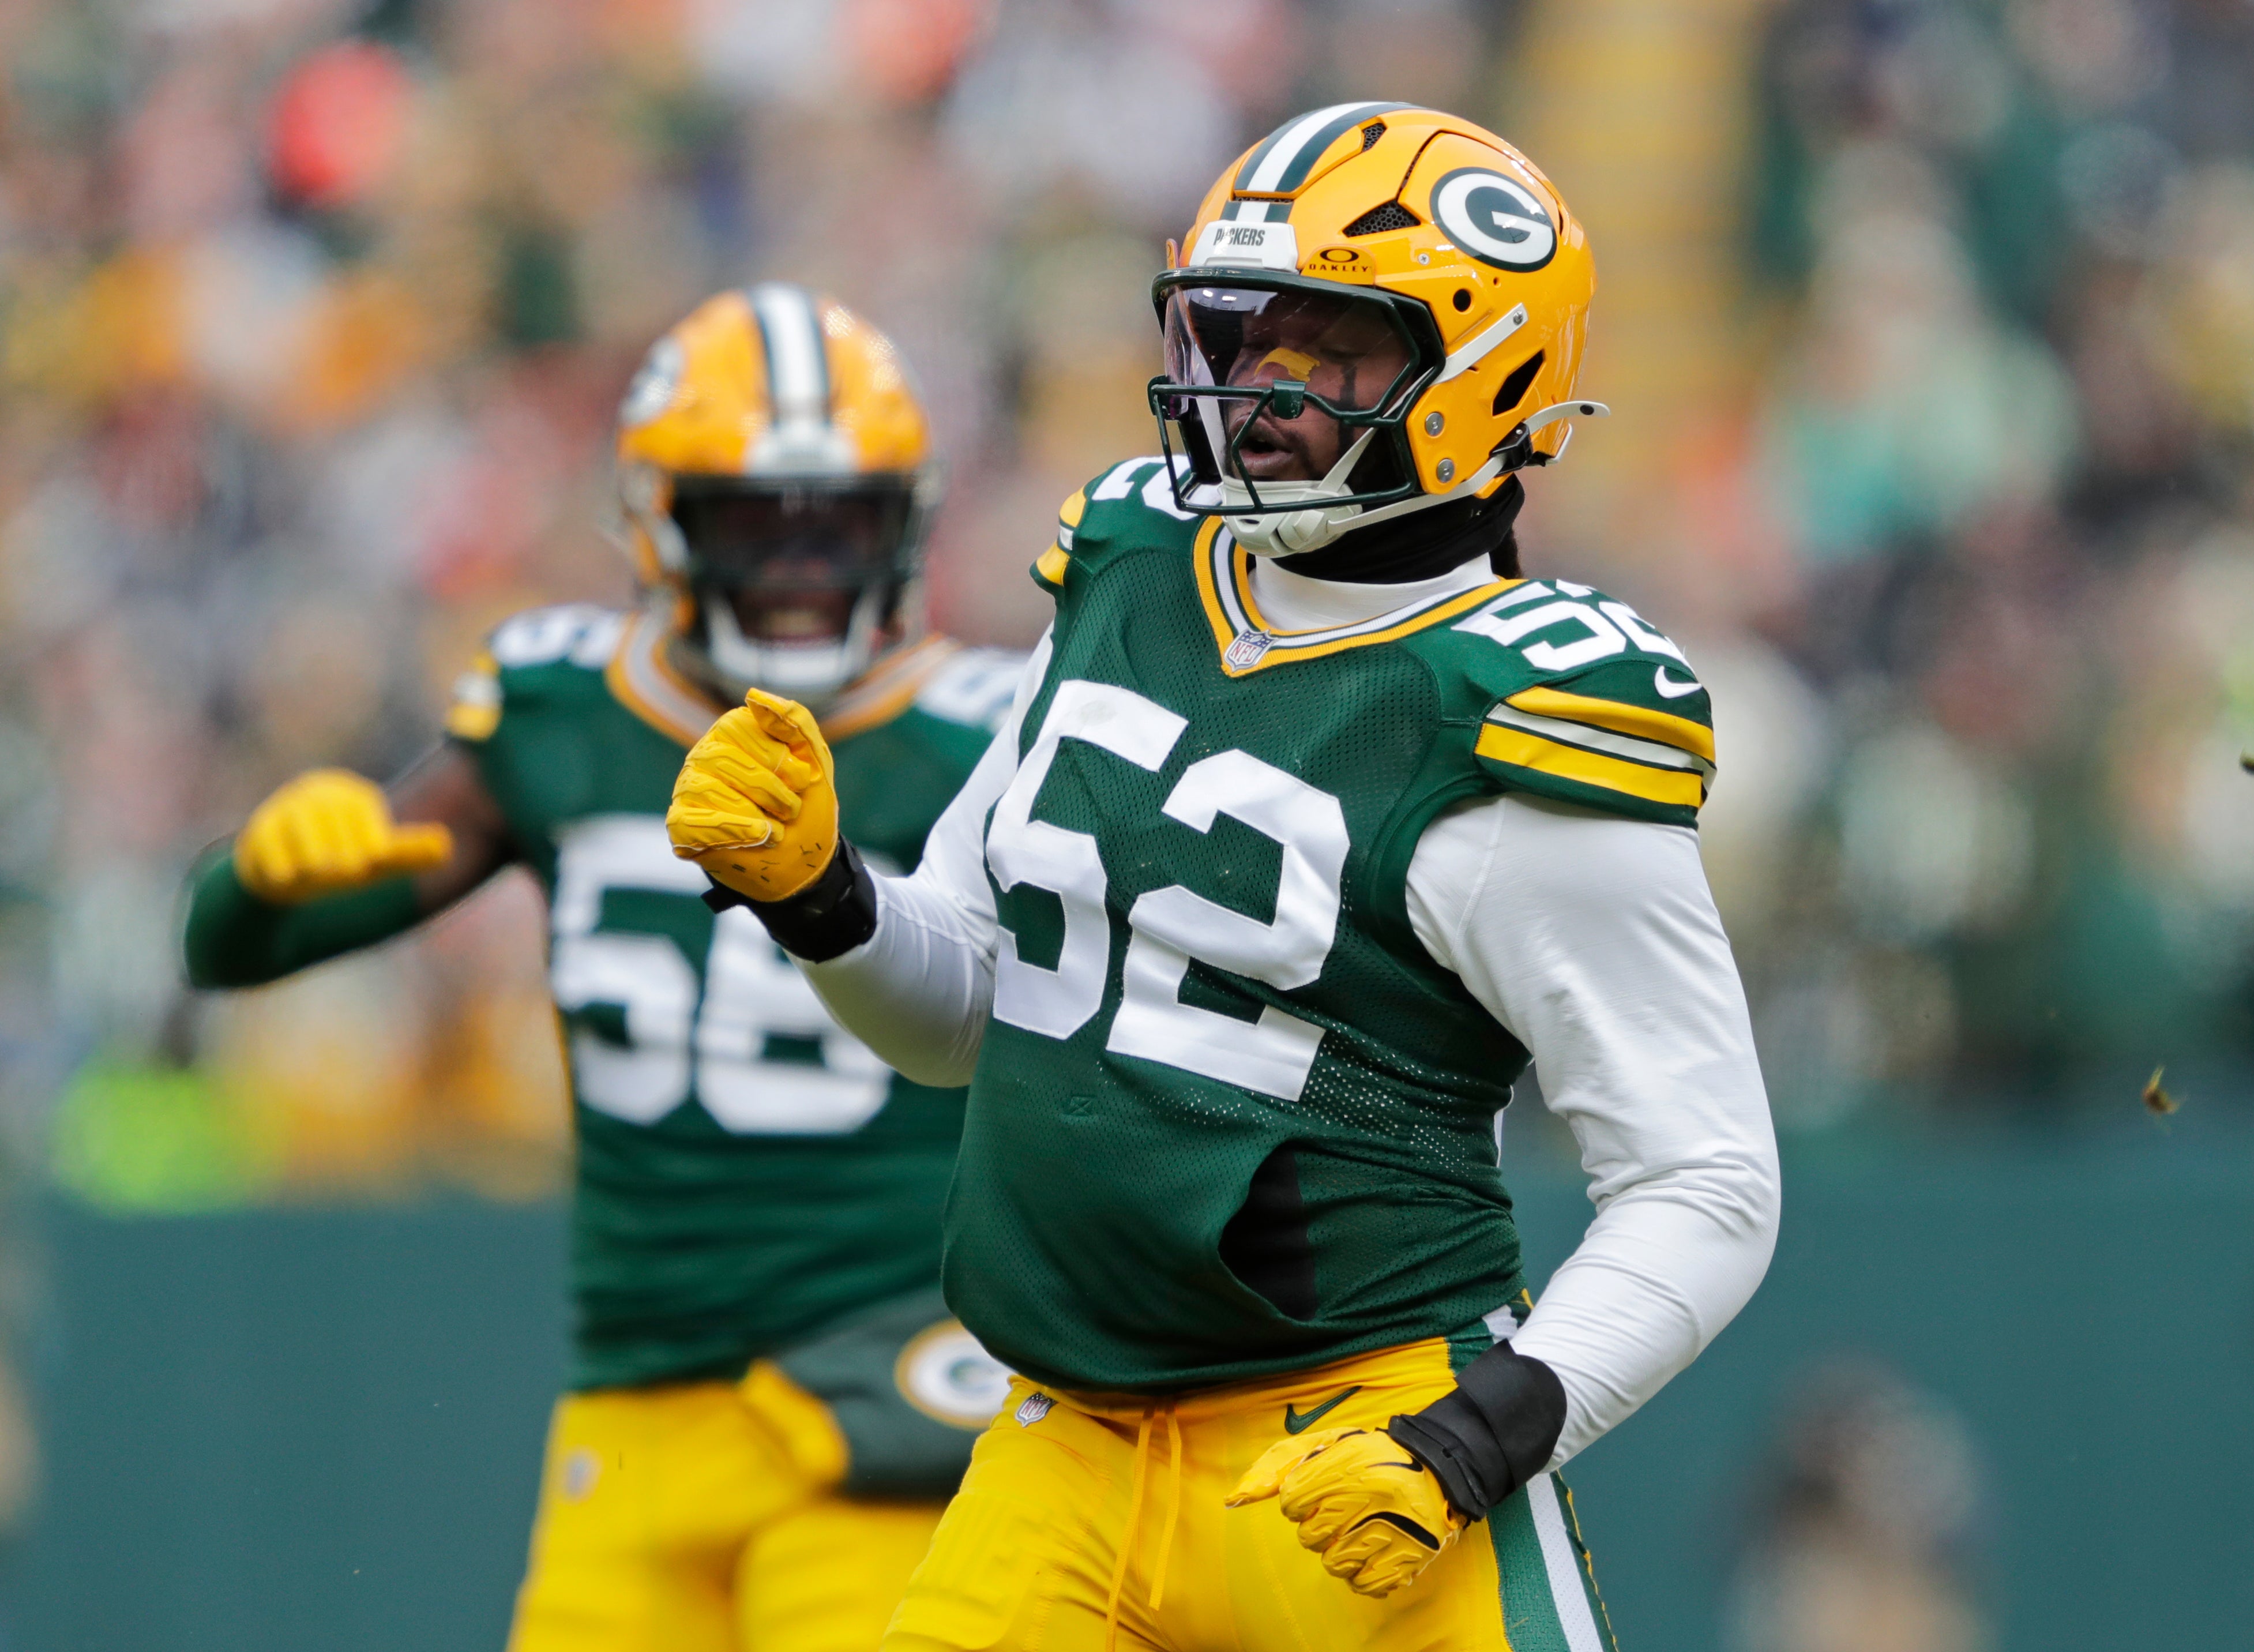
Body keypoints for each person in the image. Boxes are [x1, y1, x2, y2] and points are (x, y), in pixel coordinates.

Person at [667, 107, 1780, 1652]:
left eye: (1324, 354)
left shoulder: (1513, 714)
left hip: (1354, 1455)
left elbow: (1703, 1182)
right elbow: (974, 1015)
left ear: (1483, 377)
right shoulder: (1131, 571)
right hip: (1061, 1442)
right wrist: (824, 902)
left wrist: (1474, 1440)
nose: (1254, 396)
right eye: (1235, 336)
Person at [182, 286, 1023, 1652]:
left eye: (837, 520)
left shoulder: (988, 734)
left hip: (895, 1383)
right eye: (755, 521)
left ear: (905, 521)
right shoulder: (562, 709)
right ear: (658, 518)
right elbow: (232, 954)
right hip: (636, 1400)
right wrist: (259, 879)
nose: (803, 565)